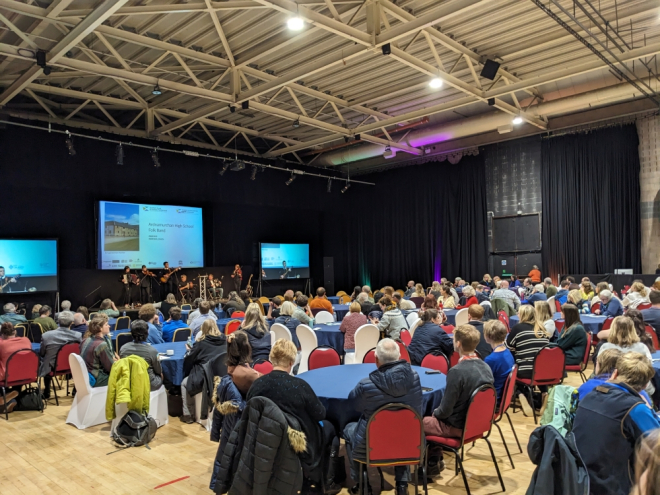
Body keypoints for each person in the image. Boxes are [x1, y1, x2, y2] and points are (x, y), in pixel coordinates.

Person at [247, 338, 341, 493]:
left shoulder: (257, 385)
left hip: (265, 440)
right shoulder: (300, 385)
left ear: (272, 359)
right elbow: (320, 414)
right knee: (331, 428)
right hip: (300, 442)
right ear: (291, 362)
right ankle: (327, 482)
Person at [573, 352, 660, 495]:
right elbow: (656, 442)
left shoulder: (590, 395)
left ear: (615, 373)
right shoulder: (635, 409)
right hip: (613, 486)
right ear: (645, 385)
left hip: (580, 479)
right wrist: (648, 409)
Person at [344, 339, 421, 494]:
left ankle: (362, 484)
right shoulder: (415, 378)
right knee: (402, 427)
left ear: (376, 359)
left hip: (373, 441)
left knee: (348, 429)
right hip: (408, 440)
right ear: (399, 356)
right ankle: (402, 485)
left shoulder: (365, 384)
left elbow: (354, 406)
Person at [424, 325, 494, 475]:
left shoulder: (456, 372)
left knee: (421, 420)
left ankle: (429, 464)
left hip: (457, 426)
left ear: (458, 344)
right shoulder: (486, 367)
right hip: (478, 423)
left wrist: (434, 413)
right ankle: (434, 460)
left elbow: (445, 411)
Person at [181, 319, 227, 423]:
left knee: (184, 383)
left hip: (205, 377)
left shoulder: (200, 343)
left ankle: (188, 414)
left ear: (203, 329)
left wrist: (189, 351)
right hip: (222, 375)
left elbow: (189, 360)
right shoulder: (225, 340)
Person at [506, 304, 549, 416]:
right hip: (544, 371)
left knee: (515, 368)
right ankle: (545, 393)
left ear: (522, 315)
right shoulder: (542, 328)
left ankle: (521, 395)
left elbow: (508, 347)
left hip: (525, 371)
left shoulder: (517, 328)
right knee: (536, 368)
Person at [38, 311, 82, 399]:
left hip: (52, 367)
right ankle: (75, 390)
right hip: (72, 366)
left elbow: (42, 353)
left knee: (43, 360)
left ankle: (47, 391)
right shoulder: (78, 335)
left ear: (58, 321)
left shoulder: (46, 336)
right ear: (71, 323)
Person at [120, 320, 163, 391]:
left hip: (129, 383)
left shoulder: (123, 348)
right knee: (161, 375)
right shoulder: (153, 351)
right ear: (147, 333)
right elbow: (158, 370)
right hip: (148, 384)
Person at [0, 322, 31, 412]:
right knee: (18, 369)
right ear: (15, 332)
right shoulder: (26, 340)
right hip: (27, 373)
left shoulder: (2, 344)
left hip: (8, 375)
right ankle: (14, 396)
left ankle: (5, 398)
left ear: (3, 334)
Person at [80, 316, 117, 388]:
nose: (109, 326)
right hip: (96, 378)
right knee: (123, 377)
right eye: (106, 324)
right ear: (100, 328)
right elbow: (111, 367)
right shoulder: (101, 345)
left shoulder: (85, 340)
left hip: (85, 375)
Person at [483, 320, 515, 402]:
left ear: (487, 337)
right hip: (503, 398)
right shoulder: (507, 352)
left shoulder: (491, 359)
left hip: (493, 399)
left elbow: (483, 382)